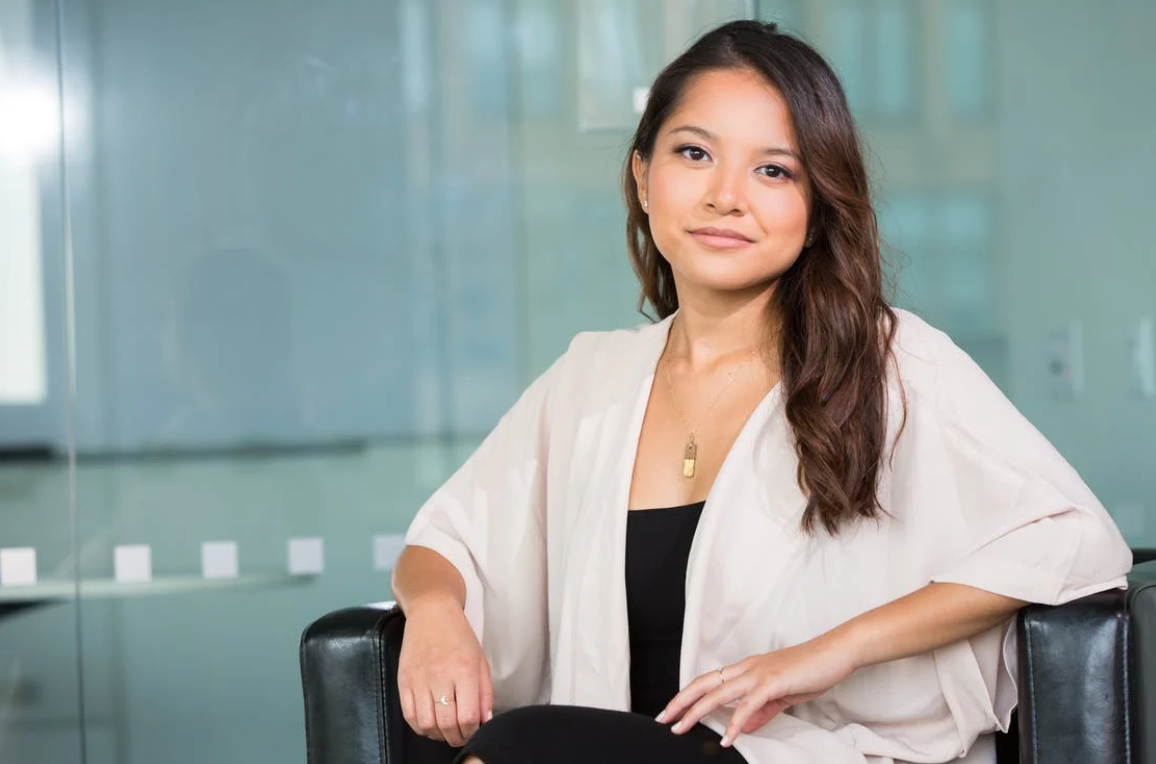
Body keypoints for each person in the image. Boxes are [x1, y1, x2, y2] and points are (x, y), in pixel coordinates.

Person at [390, 20, 1131, 764]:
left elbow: (1072, 537)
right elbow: (448, 538)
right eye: (694, 153)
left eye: (774, 171)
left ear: (816, 208)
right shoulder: (590, 380)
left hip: (805, 754)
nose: (726, 196)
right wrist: (434, 612)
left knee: (519, 746)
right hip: (617, 747)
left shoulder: (890, 361)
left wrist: (833, 652)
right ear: (643, 175)